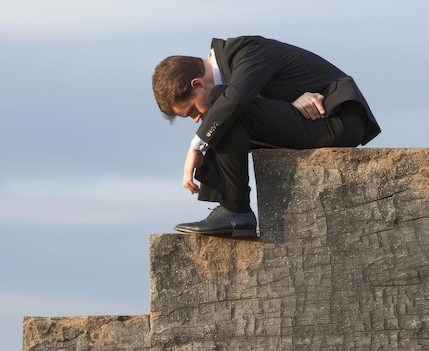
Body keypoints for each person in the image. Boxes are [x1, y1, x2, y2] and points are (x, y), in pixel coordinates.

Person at [151, 35, 380, 238]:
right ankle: (228, 209)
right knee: (219, 117)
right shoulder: (233, 74)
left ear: (198, 84)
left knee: (220, 107)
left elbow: (237, 101)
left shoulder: (245, 50)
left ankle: (236, 211)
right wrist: (290, 104)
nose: (195, 119)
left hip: (338, 117)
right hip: (313, 120)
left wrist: (196, 146)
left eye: (191, 111)